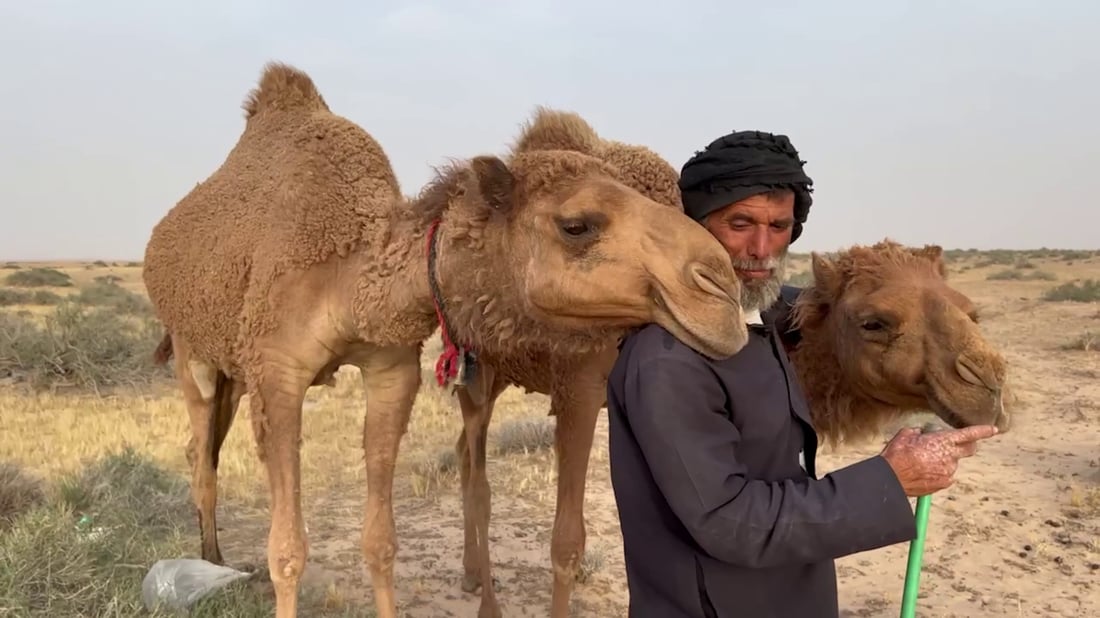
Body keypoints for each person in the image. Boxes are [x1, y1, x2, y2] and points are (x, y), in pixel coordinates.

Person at [605, 129, 999, 618]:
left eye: (779, 225)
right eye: (740, 223)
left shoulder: (757, 315)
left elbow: (829, 310)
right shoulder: (668, 358)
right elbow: (729, 520)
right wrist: (889, 482)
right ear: (696, 225)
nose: (760, 247)